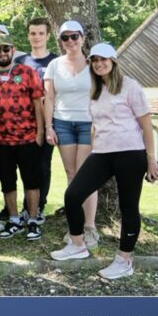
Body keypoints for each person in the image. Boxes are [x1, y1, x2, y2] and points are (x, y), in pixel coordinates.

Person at [50, 43, 158, 280]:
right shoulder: (94, 89)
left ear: (113, 61)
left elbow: (146, 125)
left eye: (104, 60)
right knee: (73, 195)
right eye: (95, 60)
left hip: (130, 153)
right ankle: (78, 245)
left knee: (129, 208)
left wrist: (150, 159)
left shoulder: (130, 86)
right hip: (101, 154)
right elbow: (96, 125)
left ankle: (124, 260)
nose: (99, 64)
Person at [0, 34, 45, 241]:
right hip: (1, 140)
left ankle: (33, 220)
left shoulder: (28, 72)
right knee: (8, 183)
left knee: (32, 181)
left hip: (28, 137)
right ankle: (14, 219)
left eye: (5, 49)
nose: (2, 53)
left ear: (13, 50)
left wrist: (41, 132)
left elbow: (38, 103)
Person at [43, 20, 98, 247]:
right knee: (71, 174)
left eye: (74, 36)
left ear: (83, 38)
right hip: (63, 123)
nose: (70, 41)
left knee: (87, 175)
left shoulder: (94, 64)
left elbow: (101, 96)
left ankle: (90, 227)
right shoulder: (54, 65)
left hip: (88, 124)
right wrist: (48, 127)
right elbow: (49, 98)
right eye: (65, 38)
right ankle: (75, 226)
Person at [17, 17, 58, 218]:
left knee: (43, 164)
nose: (37, 37)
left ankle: (39, 206)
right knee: (26, 166)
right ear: (28, 35)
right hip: (24, 123)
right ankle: (26, 207)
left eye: (41, 33)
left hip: (50, 120)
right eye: (33, 33)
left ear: (48, 35)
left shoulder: (56, 61)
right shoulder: (20, 62)